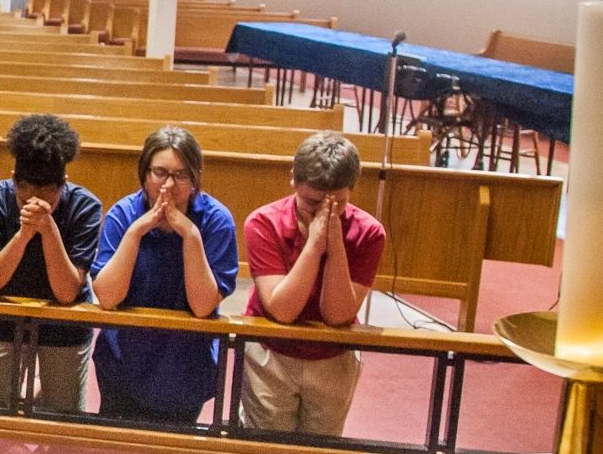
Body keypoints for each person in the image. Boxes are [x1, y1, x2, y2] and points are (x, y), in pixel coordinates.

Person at [241, 131, 388, 436]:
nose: (323, 213)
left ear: (352, 189)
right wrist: (314, 246)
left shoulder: (369, 233)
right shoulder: (263, 222)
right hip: (272, 354)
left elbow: (337, 316)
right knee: (265, 452)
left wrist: (334, 245)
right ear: (293, 178)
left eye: (337, 205)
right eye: (311, 203)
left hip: (332, 358)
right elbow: (282, 310)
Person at [91, 127, 240, 424]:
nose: (169, 184)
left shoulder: (216, 221)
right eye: (160, 172)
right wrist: (135, 232)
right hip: (123, 364)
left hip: (185, 369)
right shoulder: (123, 215)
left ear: (195, 178)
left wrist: (191, 235)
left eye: (181, 175)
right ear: (145, 174)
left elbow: (202, 306)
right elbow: (107, 298)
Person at [0, 115, 104, 411]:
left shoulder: (86, 207)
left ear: (63, 185)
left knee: (62, 420)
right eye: (25, 189)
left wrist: (48, 230)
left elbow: (67, 292)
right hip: (3, 321)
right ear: (13, 178)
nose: (34, 200)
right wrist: (23, 235)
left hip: (64, 326)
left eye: (47, 193)